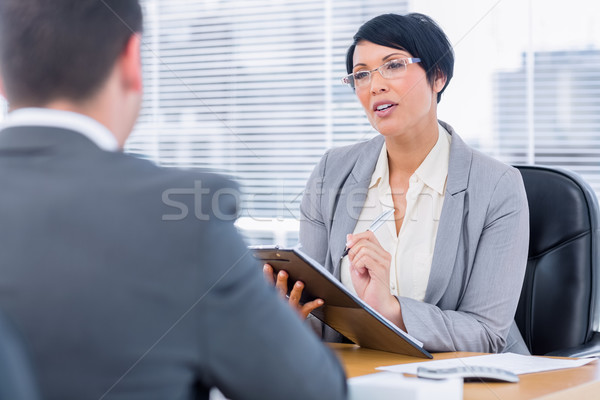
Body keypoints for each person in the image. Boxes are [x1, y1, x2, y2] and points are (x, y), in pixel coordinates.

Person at [0, 1, 347, 399]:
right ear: (132, 60)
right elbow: (312, 392)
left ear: (3, 77)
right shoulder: (180, 220)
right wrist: (279, 333)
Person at [267, 13, 530, 354]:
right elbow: (320, 312)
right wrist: (293, 314)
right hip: (357, 378)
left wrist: (391, 310)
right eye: (361, 74)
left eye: (393, 65)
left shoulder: (498, 186)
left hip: (465, 381)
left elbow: (486, 334)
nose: (375, 85)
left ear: (438, 76)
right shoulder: (331, 172)